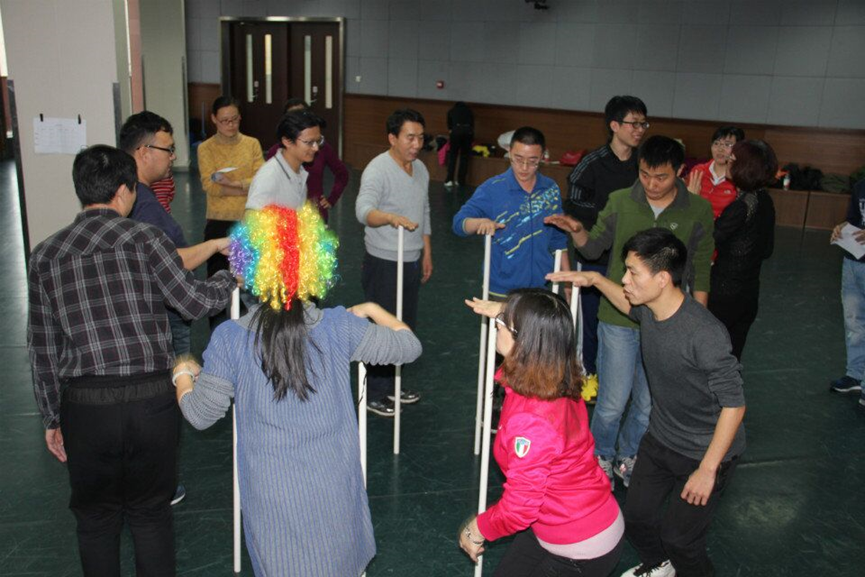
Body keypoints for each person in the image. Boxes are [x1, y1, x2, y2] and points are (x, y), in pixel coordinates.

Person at [172, 204, 422, 576]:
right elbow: (409, 346)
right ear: (312, 264)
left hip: (272, 495)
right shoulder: (339, 326)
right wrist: (371, 307)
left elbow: (200, 413)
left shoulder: (229, 338)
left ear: (247, 267)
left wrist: (182, 372)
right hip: (334, 486)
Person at [27, 145, 236, 576]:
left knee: (95, 521)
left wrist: (52, 417)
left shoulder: (45, 255)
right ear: (124, 191)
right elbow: (192, 303)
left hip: (86, 407)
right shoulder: (146, 239)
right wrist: (228, 276)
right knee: (151, 514)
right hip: (150, 401)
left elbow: (42, 346)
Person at [549, 228, 745, 577]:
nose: (625, 279)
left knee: (680, 540)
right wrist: (595, 279)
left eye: (632, 272)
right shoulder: (651, 310)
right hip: (662, 437)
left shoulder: (704, 334)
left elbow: (734, 404)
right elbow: (629, 306)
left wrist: (707, 469)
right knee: (637, 517)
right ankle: (659, 564)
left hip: (705, 450)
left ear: (663, 279)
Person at [546, 135, 714, 490]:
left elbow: (700, 267)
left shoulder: (697, 209)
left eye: (661, 177)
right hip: (619, 318)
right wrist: (578, 232)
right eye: (644, 174)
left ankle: (630, 454)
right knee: (612, 402)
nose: (651, 184)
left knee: (648, 403)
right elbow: (593, 248)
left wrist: (698, 322)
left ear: (679, 172)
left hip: (667, 323)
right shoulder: (621, 200)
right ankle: (599, 456)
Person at [458, 289, 623, 577]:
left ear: (526, 342)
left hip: (579, 546)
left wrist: (476, 529)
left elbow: (519, 509)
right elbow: (548, 320)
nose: (497, 325)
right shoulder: (555, 375)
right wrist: (507, 311)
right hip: (567, 519)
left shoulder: (531, 422)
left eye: (503, 323)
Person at [120, 111, 231, 356]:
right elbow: (171, 261)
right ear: (144, 152)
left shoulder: (138, 196)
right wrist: (215, 245)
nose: (174, 156)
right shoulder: (143, 205)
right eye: (168, 149)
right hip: (164, 315)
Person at [565, 96, 649, 404]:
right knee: (591, 322)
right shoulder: (591, 164)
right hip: (596, 257)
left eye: (643, 124)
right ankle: (589, 376)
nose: (639, 129)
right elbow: (574, 204)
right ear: (614, 125)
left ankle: (624, 383)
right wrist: (609, 220)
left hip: (633, 262)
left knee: (630, 321)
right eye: (633, 123)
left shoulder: (644, 166)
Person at [355, 108, 432, 416]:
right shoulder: (378, 169)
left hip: (411, 258)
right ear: (392, 138)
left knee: (403, 326)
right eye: (410, 137)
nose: (416, 144)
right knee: (381, 329)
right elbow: (363, 210)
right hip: (384, 262)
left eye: (421, 138)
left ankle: (392, 385)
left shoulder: (421, 169)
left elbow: (424, 210)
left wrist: (427, 250)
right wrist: (388, 217)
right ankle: (373, 392)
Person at [452, 126, 570, 299]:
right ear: (509, 152)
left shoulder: (550, 189)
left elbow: (558, 239)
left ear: (543, 157)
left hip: (541, 287)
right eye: (518, 159)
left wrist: (567, 281)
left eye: (533, 161)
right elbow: (458, 223)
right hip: (501, 290)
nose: (524, 167)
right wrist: (478, 223)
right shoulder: (492, 188)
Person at [708, 139, 777, 361]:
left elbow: (708, 240)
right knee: (732, 357)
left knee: (711, 356)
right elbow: (767, 250)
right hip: (749, 293)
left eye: (733, 159)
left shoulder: (741, 206)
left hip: (724, 293)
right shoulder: (765, 201)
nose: (728, 161)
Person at [197, 96, 265, 279]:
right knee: (217, 275)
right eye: (225, 121)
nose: (231, 125)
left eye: (234, 119)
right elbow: (210, 186)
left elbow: (261, 181)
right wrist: (245, 188)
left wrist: (232, 183)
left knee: (249, 276)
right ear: (214, 119)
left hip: (248, 217)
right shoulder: (206, 148)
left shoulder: (252, 144)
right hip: (218, 219)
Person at [265, 98, 349, 222]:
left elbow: (342, 173)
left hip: (315, 216)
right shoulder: (276, 153)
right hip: (287, 219)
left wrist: (332, 199)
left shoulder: (320, 147)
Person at [829, 177, 865, 413]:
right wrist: (841, 228)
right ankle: (856, 374)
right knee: (853, 321)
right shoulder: (861, 185)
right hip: (853, 262)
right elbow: (853, 220)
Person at [247, 109, 324, 211]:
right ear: (287, 141)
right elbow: (251, 216)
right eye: (309, 142)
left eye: (318, 141)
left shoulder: (299, 171)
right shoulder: (269, 176)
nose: (316, 148)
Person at [686, 126, 746, 218]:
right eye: (716, 143)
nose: (720, 149)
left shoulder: (740, 177)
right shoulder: (698, 171)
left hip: (725, 225)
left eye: (727, 145)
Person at [445, 101, 474, 188]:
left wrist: (452, 130)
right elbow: (472, 124)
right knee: (464, 157)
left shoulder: (451, 111)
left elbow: (449, 125)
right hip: (468, 133)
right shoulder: (469, 111)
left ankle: (449, 179)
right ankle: (461, 181)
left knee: (453, 157)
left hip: (456, 132)